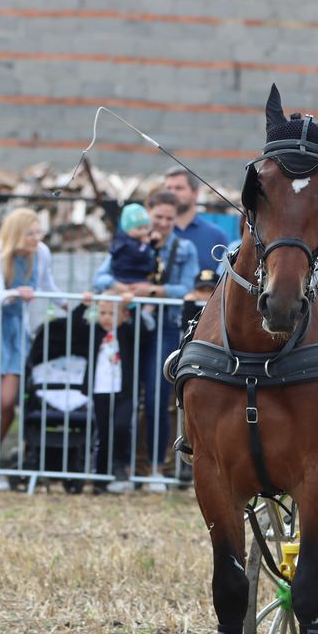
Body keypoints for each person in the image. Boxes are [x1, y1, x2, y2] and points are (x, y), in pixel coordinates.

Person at [92, 190, 196, 490]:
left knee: (155, 397)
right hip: (129, 326)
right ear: (147, 214)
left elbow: (186, 288)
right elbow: (100, 279)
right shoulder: (129, 243)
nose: (163, 223)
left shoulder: (183, 248)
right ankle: (121, 467)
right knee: (124, 395)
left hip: (163, 326)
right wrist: (123, 288)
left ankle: (155, 469)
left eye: (169, 218)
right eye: (158, 217)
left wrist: (150, 291)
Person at [0, 208, 59, 491]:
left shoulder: (42, 253)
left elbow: (48, 286)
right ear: (17, 234)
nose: (36, 238)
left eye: (38, 233)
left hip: (16, 332)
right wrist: (15, 294)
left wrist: (77, 305)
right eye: (31, 233)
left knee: (8, 401)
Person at [81, 287, 138, 494]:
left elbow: (142, 327)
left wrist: (132, 305)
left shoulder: (127, 332)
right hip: (100, 390)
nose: (106, 318)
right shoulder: (94, 332)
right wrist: (83, 306)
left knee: (121, 426)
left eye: (112, 313)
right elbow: (75, 326)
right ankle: (100, 477)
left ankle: (120, 465)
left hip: (123, 391)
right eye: (102, 313)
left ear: (124, 315)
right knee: (103, 434)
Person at [163, 167, 230, 276]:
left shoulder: (217, 236)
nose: (172, 193)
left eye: (178, 188)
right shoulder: (153, 234)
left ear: (195, 193)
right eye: (168, 188)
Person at [109, 203, 161, 332]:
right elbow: (140, 254)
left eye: (146, 228)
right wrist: (149, 243)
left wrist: (150, 243)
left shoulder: (135, 241)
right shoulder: (125, 243)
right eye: (139, 228)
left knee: (151, 296)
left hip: (137, 278)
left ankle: (146, 314)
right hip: (127, 278)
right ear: (127, 228)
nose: (143, 232)